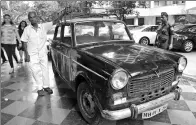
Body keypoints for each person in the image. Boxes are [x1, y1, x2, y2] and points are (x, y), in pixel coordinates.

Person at [21, 11, 58, 96]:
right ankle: (39, 88)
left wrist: (63, 13)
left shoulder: (44, 26)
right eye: (30, 17)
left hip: (42, 53)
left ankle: (46, 86)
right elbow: (24, 42)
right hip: (32, 54)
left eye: (34, 17)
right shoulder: (27, 30)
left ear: (37, 17)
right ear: (29, 19)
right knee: (35, 71)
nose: (32, 18)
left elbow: (55, 21)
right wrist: (26, 54)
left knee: (45, 69)